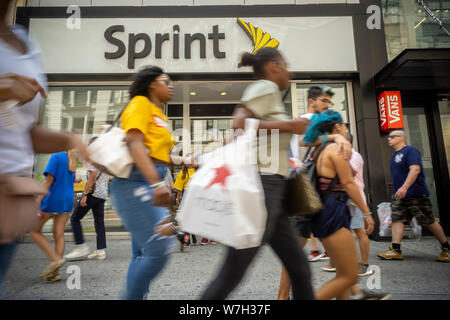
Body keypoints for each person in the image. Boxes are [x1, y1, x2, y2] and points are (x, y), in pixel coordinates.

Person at [201, 48, 351, 300]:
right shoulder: (265, 87)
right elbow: (239, 123)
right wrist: (289, 125)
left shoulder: (268, 93)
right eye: (286, 64)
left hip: (273, 191)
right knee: (232, 272)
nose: (289, 71)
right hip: (261, 188)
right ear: (273, 66)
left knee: (300, 270)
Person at [0, 0, 89, 292]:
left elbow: (29, 134)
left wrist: (70, 137)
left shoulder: (26, 42)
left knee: (41, 232)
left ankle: (53, 260)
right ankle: (55, 259)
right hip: (51, 199)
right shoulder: (67, 162)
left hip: (13, 198)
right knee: (59, 231)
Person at [108, 66, 192, 300]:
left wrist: (183, 159)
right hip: (136, 182)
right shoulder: (140, 104)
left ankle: (139, 295)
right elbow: (135, 144)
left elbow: (156, 153)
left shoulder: (159, 114)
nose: (171, 85)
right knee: (160, 249)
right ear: (152, 84)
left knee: (142, 251)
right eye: (166, 81)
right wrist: (157, 185)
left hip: (149, 178)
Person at [302, 110, 375, 300]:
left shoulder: (320, 149)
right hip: (334, 211)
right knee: (350, 276)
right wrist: (367, 213)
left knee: (342, 273)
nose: (345, 129)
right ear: (336, 127)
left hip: (324, 211)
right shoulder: (334, 149)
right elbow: (349, 184)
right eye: (344, 125)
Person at [377, 130, 449, 263]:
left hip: (415, 194)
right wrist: (399, 190)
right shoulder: (394, 156)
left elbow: (415, 169)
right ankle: (396, 250)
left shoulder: (410, 151)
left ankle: (446, 249)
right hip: (400, 195)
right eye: (388, 137)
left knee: (429, 220)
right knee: (397, 219)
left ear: (400, 138)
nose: (389, 139)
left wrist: (405, 187)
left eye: (392, 137)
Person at [30, 151, 77, 282]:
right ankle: (55, 273)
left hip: (53, 198)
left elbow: (48, 180)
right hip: (67, 199)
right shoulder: (72, 159)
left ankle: (55, 260)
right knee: (59, 234)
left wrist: (38, 200)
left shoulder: (56, 157)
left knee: (34, 230)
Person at [65, 137, 109, 261]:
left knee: (75, 218)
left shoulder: (93, 158)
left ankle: (81, 247)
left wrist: (84, 195)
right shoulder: (104, 160)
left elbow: (91, 177)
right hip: (102, 194)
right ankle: (100, 252)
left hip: (92, 194)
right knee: (99, 222)